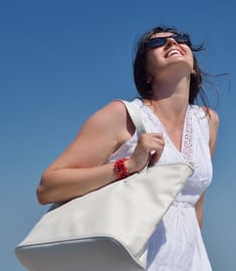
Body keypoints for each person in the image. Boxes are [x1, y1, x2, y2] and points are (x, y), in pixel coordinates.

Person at [36, 25, 219, 271]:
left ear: (194, 66)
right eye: (157, 43)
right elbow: (47, 188)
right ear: (146, 73)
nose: (172, 43)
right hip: (132, 263)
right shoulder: (122, 115)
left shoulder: (207, 122)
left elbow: (194, 204)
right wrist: (128, 166)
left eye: (180, 39)